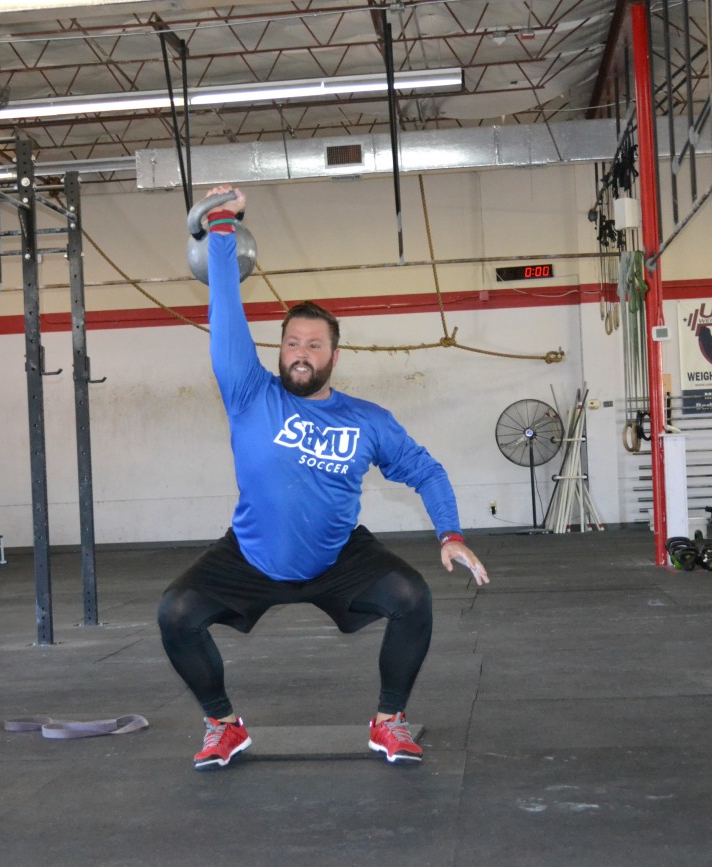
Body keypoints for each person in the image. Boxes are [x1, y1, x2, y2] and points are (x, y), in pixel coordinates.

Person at [157, 185, 489, 771]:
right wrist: (223, 229)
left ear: (334, 356)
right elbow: (226, 311)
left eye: (314, 345)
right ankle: (223, 725)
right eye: (292, 343)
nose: (300, 353)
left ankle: (389, 721)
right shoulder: (249, 393)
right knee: (176, 612)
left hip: (336, 555)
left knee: (412, 598)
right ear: (280, 350)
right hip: (252, 554)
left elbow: (425, 469)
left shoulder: (366, 420)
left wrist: (451, 533)